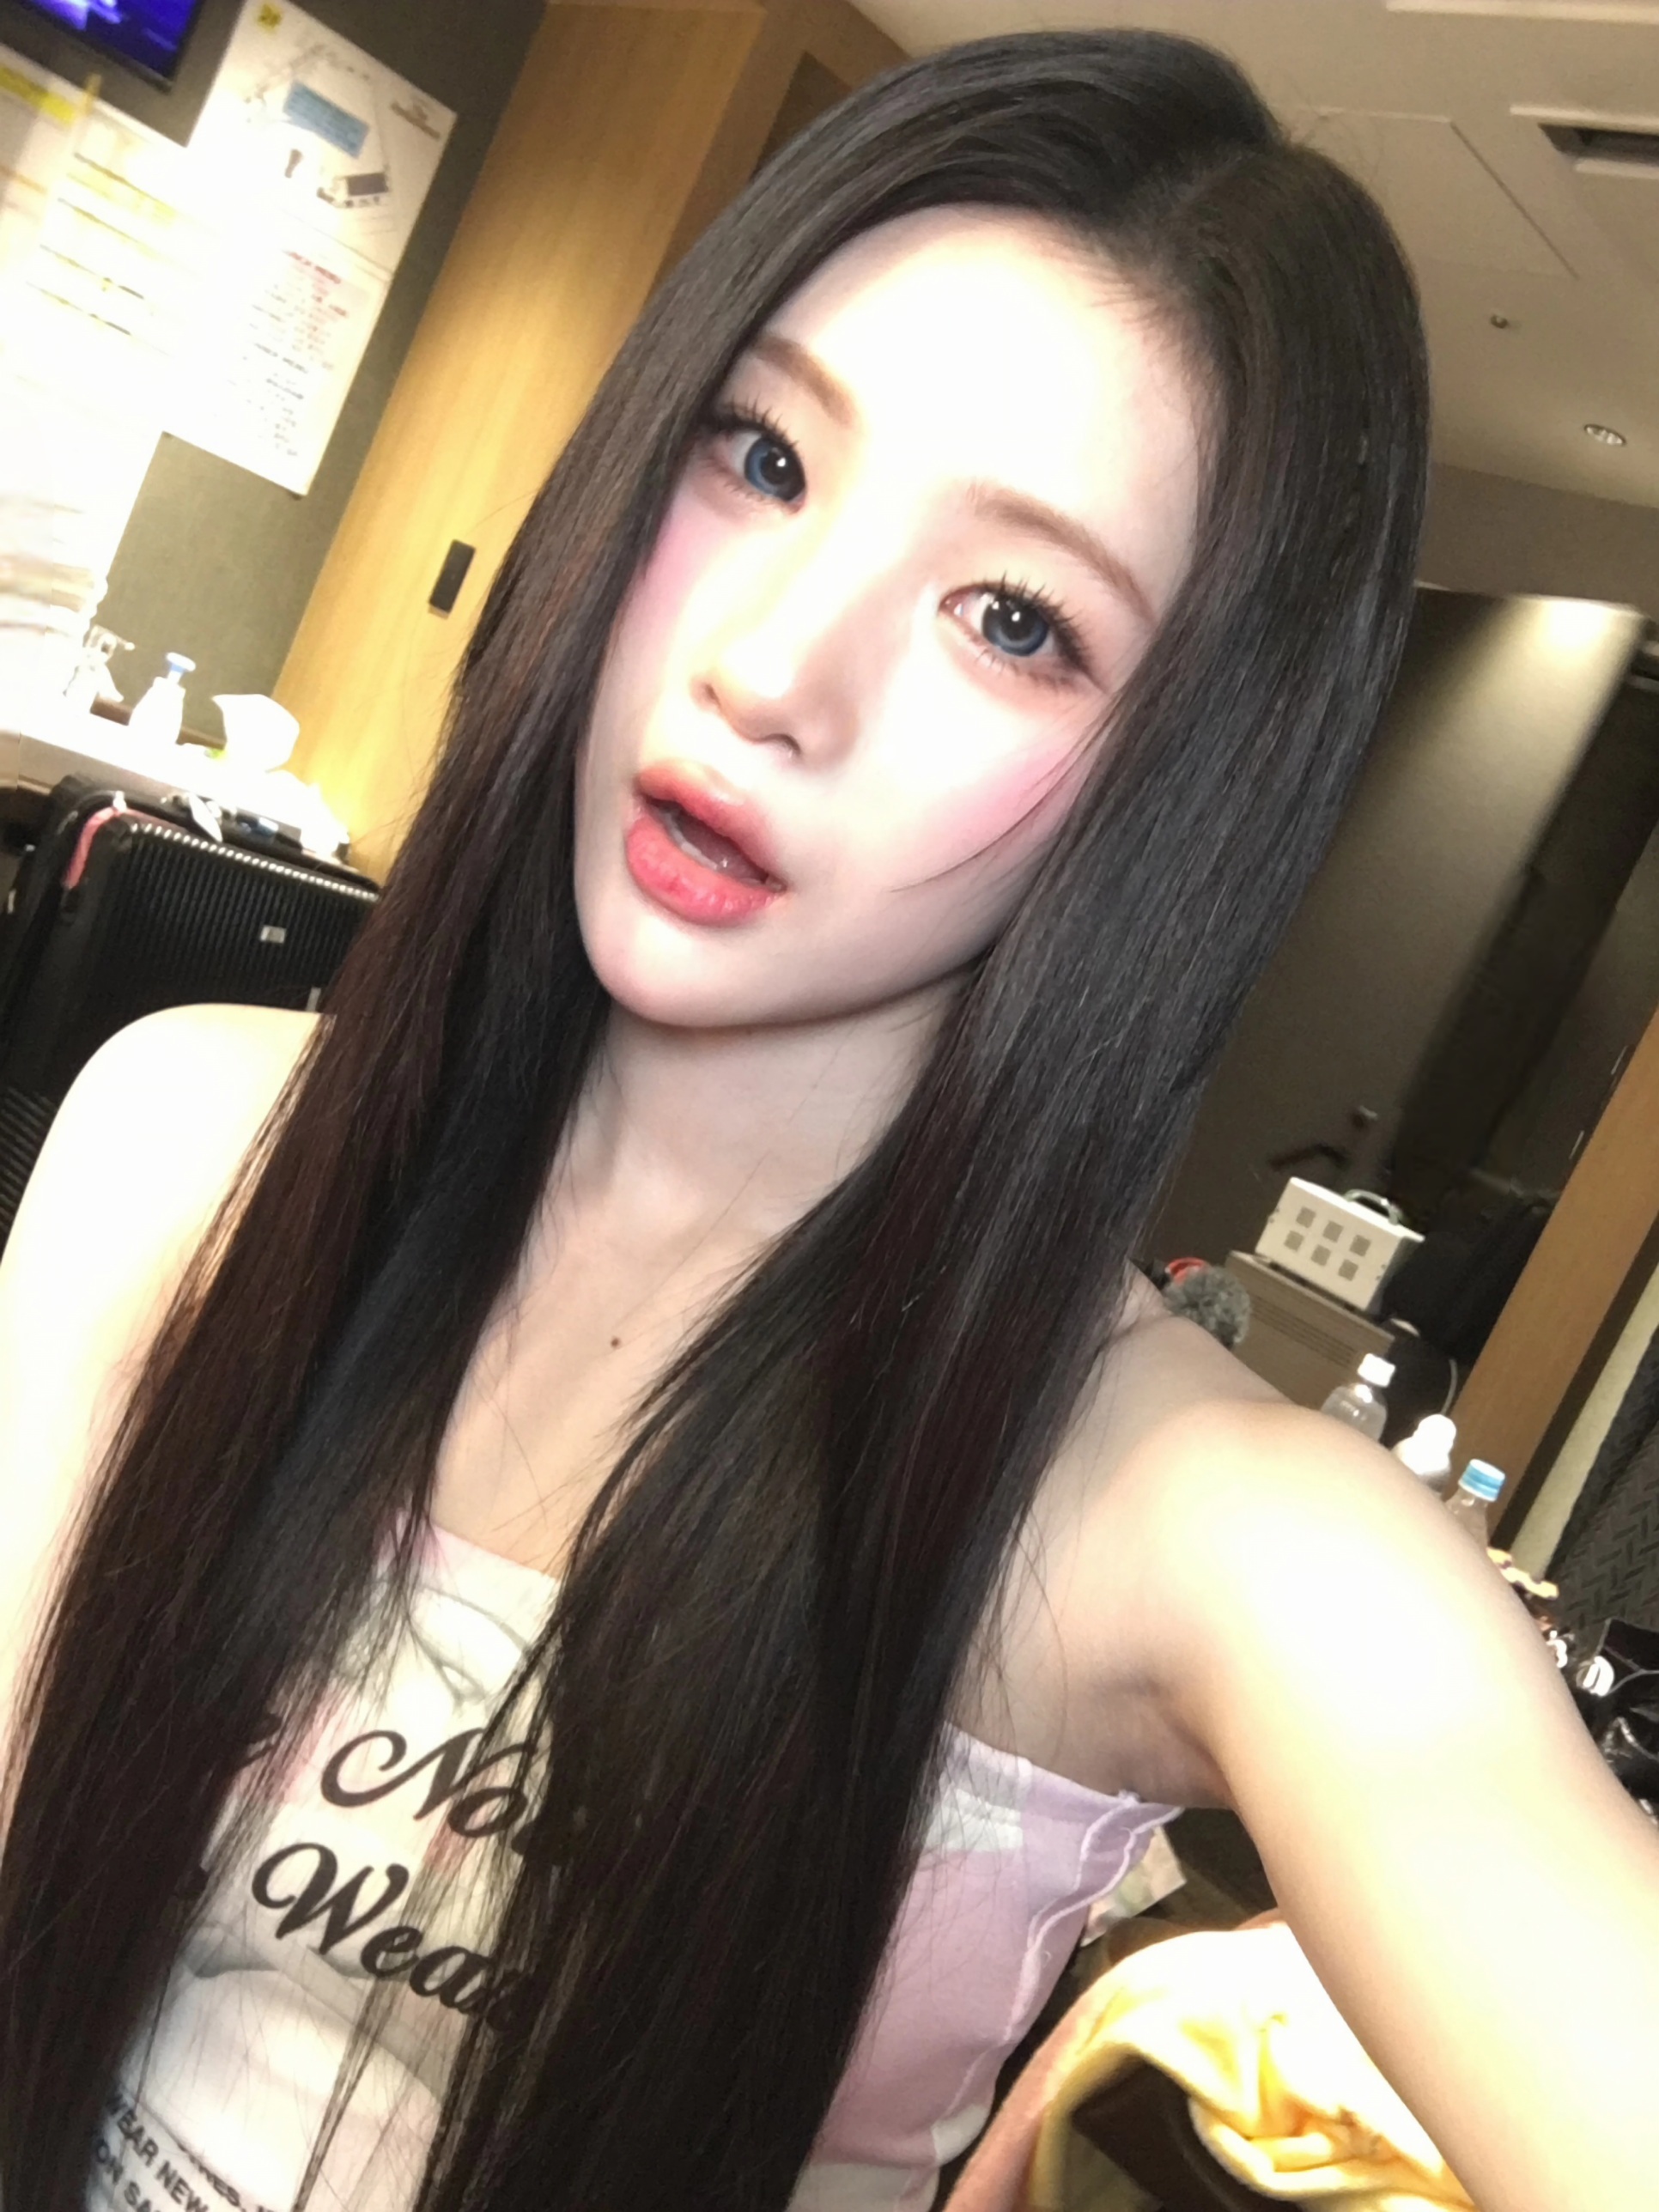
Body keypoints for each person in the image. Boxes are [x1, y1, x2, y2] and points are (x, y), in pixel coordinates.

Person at [1, 29, 1656, 2212]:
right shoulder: (191, 1138)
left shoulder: (1187, 1527)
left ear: (1181, 785)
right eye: (764, 457)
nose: (774, 665)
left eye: (1015, 619)